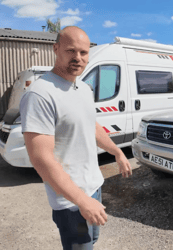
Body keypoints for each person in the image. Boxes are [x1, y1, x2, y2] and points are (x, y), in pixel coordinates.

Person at [20, 26, 132, 249]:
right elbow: (41, 158)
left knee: (92, 239)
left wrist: (117, 152)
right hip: (71, 201)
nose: (78, 58)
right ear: (56, 49)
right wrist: (81, 201)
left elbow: (92, 126)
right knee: (81, 246)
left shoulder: (83, 88)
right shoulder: (40, 94)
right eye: (71, 51)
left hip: (94, 187)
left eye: (83, 52)